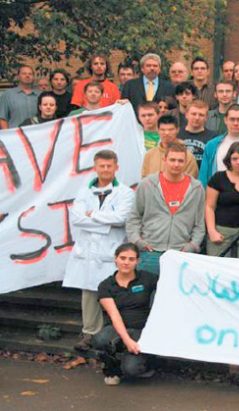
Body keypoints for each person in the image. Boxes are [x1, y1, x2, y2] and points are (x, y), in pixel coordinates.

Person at [62, 150, 135, 351]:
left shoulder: (126, 193)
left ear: (116, 167)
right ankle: (90, 333)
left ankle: (115, 333)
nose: (105, 169)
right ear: (95, 167)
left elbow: (121, 218)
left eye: (109, 166)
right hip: (88, 252)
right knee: (89, 294)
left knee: (115, 293)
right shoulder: (83, 192)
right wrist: (104, 221)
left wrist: (92, 215)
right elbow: (77, 219)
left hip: (111, 251)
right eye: (101, 166)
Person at [127, 141, 205, 275]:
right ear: (164, 160)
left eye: (180, 161)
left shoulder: (196, 188)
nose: (176, 164)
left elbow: (199, 223)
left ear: (186, 162)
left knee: (175, 295)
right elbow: (134, 217)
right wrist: (138, 241)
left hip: (181, 253)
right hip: (150, 252)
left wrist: (192, 245)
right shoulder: (147, 184)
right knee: (146, 295)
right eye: (172, 160)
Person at [93, 243, 158, 386]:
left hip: (141, 329)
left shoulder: (148, 278)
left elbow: (171, 284)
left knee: (131, 370)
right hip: (117, 327)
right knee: (100, 340)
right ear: (115, 259)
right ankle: (113, 367)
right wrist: (127, 340)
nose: (126, 262)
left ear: (137, 261)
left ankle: (148, 360)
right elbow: (114, 315)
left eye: (131, 259)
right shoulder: (106, 285)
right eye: (122, 258)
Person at [179, 99, 217, 166]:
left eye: (201, 115)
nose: (197, 118)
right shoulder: (176, 134)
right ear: (186, 115)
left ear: (206, 118)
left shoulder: (213, 138)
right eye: (193, 114)